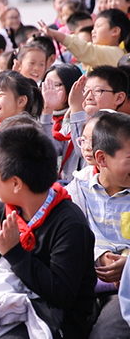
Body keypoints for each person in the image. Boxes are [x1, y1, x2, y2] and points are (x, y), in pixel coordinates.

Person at [0, 124, 96, 338]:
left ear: (15, 183)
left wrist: (14, 252)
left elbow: (62, 295)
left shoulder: (69, 223)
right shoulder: (2, 210)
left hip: (56, 316)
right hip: (7, 300)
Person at [63, 111, 130, 338]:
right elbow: (70, 238)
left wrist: (128, 265)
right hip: (81, 283)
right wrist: (98, 256)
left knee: (110, 331)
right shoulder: (78, 189)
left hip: (124, 288)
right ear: (101, 159)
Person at [40, 9, 130, 71]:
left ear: (115, 31)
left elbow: (85, 49)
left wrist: (56, 34)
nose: (93, 31)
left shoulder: (113, 52)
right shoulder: (113, 52)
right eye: (94, 27)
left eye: (98, 26)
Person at [39, 63, 84, 182]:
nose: (50, 90)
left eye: (56, 85)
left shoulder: (84, 118)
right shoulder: (41, 116)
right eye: (46, 85)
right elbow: (46, 149)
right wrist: (47, 111)